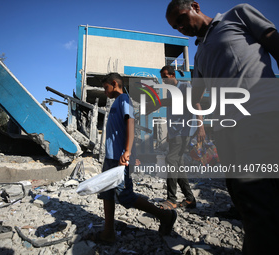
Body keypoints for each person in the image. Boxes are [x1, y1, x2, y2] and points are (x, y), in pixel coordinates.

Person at [166, 1, 279, 254]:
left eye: (182, 19)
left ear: (194, 6)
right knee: (242, 195)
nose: (181, 27)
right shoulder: (199, 54)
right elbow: (196, 95)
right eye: (176, 27)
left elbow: (274, 41)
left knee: (257, 194)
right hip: (228, 129)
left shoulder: (237, 15)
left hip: (260, 116)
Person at [91, 72, 177, 243]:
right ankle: (108, 233)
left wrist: (128, 151)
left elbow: (130, 121)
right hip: (111, 157)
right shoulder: (116, 102)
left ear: (114, 83)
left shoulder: (124, 99)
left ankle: (165, 216)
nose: (104, 90)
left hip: (120, 158)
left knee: (125, 195)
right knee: (107, 193)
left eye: (105, 87)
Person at [157, 65, 205, 210]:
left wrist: (200, 127)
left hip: (183, 133)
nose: (163, 80)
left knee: (170, 160)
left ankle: (171, 199)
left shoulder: (185, 86)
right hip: (174, 133)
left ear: (172, 75)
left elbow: (196, 104)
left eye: (165, 77)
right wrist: (168, 133)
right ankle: (190, 199)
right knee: (178, 165)